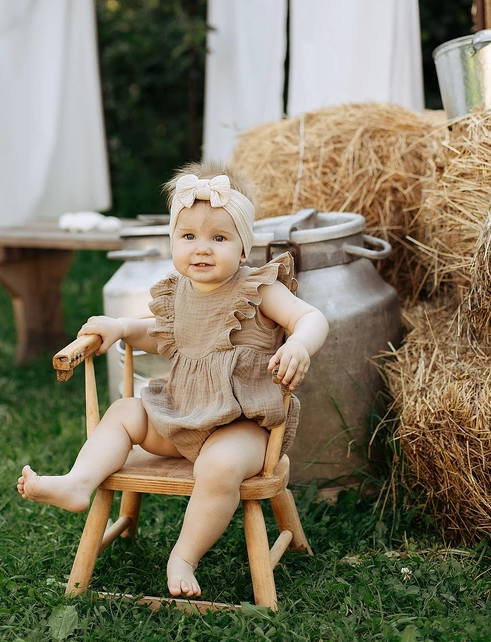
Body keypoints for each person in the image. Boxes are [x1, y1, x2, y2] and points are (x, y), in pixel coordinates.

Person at [17, 162, 329, 598]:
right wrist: (123, 327)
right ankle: (78, 483)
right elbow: (157, 335)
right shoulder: (178, 293)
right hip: (183, 418)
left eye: (219, 238)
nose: (202, 249)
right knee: (126, 411)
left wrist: (298, 344)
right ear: (173, 243)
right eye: (189, 237)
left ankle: (184, 555)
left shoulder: (260, 288)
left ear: (243, 249)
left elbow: (311, 317)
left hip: (243, 428)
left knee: (217, 466)